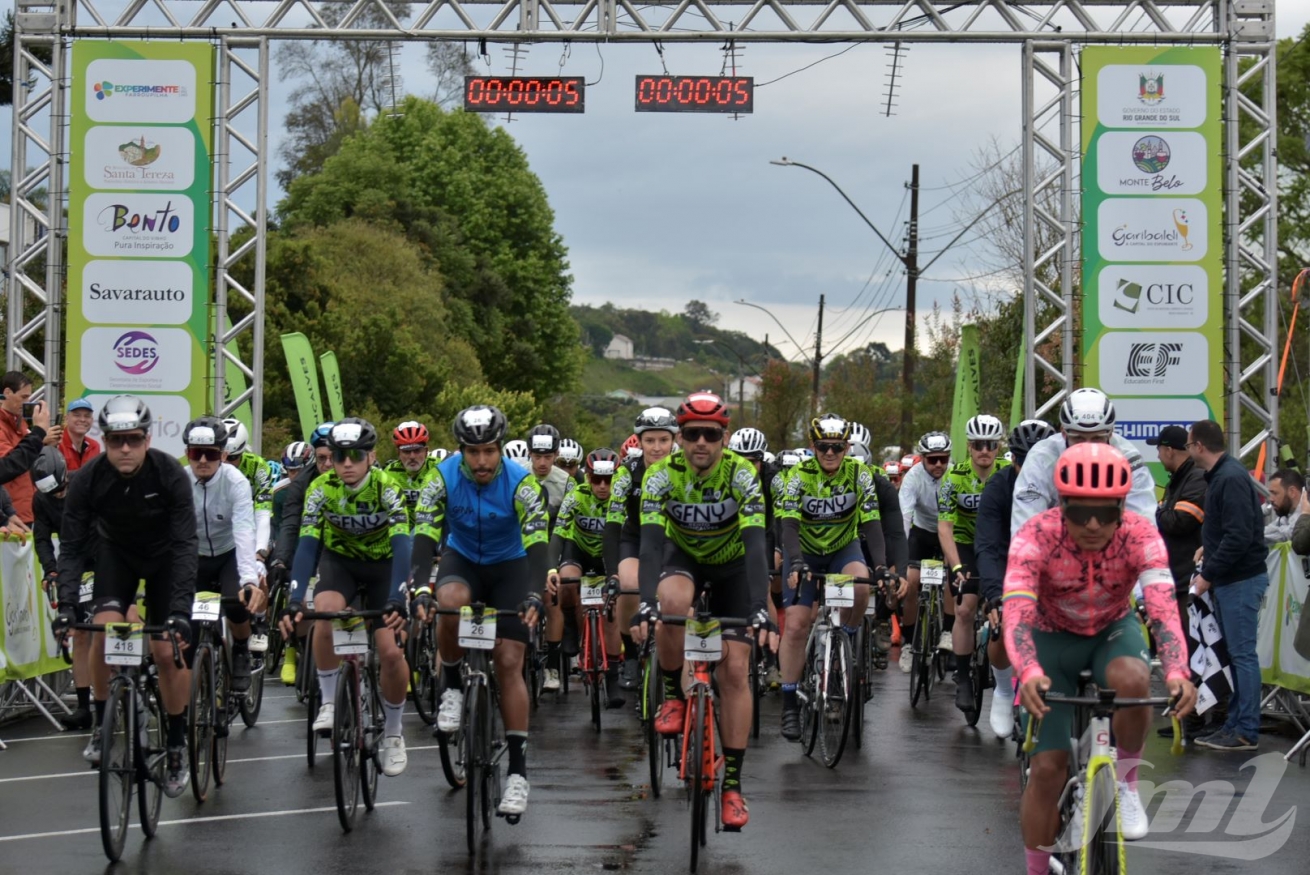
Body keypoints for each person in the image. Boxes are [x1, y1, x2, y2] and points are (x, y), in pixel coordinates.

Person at [1005, 443, 1196, 872]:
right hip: (1049, 637)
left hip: (1112, 629)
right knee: (1048, 769)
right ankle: (1036, 869)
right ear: (1062, 505)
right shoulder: (1036, 533)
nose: (1092, 524)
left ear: (1123, 507)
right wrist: (1030, 669)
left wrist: (1178, 672)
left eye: (1106, 513)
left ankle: (1126, 785)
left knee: (1132, 678)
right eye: (1079, 513)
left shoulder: (1141, 534)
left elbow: (1163, 608)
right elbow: (1016, 609)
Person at [630, 391, 774, 831]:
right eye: (691, 434)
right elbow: (651, 545)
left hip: (733, 565)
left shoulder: (743, 476)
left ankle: (732, 785)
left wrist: (758, 608)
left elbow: (755, 547)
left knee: (734, 672)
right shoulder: (659, 476)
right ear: (680, 436)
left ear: (723, 437)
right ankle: (673, 694)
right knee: (671, 604)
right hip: (683, 556)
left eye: (710, 435)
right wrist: (645, 603)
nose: (700, 443)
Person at [52, 395, 197, 797]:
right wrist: (66, 605)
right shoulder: (88, 479)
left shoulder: (170, 475)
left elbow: (186, 544)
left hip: (166, 557)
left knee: (167, 650)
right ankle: (102, 725)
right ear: (106, 440)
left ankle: (175, 744)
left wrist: (181, 612)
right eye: (117, 441)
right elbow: (72, 547)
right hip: (116, 555)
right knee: (102, 633)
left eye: (133, 439)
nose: (125, 448)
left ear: (147, 439)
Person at [408, 405, 549, 817]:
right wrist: (419, 586)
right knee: (448, 603)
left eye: (489, 451)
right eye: (473, 452)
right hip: (463, 559)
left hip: (511, 566)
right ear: (461, 451)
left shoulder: (521, 481)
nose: (482, 461)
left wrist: (535, 593)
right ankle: (451, 685)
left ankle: (518, 774)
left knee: (508, 661)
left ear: (500, 448)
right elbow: (425, 532)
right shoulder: (443, 477)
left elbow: (539, 541)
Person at [280, 418, 412, 777]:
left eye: (356, 455)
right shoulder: (321, 489)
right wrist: (294, 598)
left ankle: (395, 733)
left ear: (371, 457)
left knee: (388, 650)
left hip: (385, 566)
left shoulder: (388, 488)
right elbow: (307, 545)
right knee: (324, 613)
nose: (347, 464)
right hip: (342, 565)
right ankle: (328, 702)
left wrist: (399, 595)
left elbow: (403, 545)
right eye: (339, 456)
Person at [775, 413, 885, 741]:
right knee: (795, 625)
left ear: (847, 447)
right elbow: (789, 525)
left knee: (861, 583)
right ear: (813, 446)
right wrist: (795, 562)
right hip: (804, 553)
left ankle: (846, 639)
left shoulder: (859, 473)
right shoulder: (797, 476)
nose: (830, 453)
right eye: (823, 447)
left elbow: (871, 523)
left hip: (841, 549)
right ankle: (790, 703)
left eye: (837, 447)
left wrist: (880, 567)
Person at [1187, 419, 1269, 752]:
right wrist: (1211, 545)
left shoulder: (1230, 478)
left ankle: (1246, 730)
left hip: (1240, 580)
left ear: (1199, 447)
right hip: (1233, 578)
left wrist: (1208, 574)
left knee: (1242, 656)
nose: (1188, 449)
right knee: (1236, 656)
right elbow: (1236, 529)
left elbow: (1240, 535)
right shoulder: (1225, 475)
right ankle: (1234, 723)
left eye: (1189, 444)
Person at [974, 418, 1056, 738]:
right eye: (1023, 460)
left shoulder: (1062, 482)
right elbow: (987, 545)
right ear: (1013, 459)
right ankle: (1004, 687)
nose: (1030, 467)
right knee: (1005, 624)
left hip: (1053, 564)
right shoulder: (997, 486)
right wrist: (994, 594)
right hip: (1009, 561)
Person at [183, 417, 264, 694]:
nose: (203, 460)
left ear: (224, 455)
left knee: (237, 602)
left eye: (212, 454)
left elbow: (244, 530)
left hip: (229, 554)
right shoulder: (180, 481)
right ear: (187, 454)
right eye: (196, 453)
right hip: (196, 555)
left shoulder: (236, 482)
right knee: (188, 630)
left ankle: (241, 649)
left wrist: (249, 581)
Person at [1010, 388, 1157, 537]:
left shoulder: (1128, 458)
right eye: (1078, 438)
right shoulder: (1041, 458)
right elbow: (1025, 527)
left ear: (1110, 433)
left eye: (1097, 438)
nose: (1088, 447)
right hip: (1056, 548)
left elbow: (1145, 529)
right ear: (1063, 432)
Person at [605, 407, 682, 690]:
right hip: (635, 540)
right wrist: (612, 572)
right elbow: (613, 524)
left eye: (664, 440)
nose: (657, 447)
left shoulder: (684, 467)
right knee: (628, 585)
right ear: (639, 442)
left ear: (673, 440)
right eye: (650, 441)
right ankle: (631, 654)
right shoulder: (627, 471)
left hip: (675, 540)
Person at [938, 413, 1009, 713]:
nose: (985, 450)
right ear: (969, 446)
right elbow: (945, 529)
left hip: (999, 547)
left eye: (991, 444)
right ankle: (964, 676)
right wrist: (955, 568)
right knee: (965, 607)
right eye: (979, 444)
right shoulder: (953, 479)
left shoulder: (1008, 473)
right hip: (965, 546)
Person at [549, 447, 626, 708]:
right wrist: (551, 568)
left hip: (608, 554)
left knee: (612, 615)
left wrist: (616, 572)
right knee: (567, 582)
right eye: (596, 479)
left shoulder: (620, 498)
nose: (602, 486)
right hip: (578, 550)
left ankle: (613, 677)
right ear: (588, 476)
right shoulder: (576, 495)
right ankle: (570, 625)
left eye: (608, 480)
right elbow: (558, 535)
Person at [32, 446, 94, 729]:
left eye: (60, 490)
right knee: (80, 633)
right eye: (51, 494)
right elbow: (43, 538)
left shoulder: (85, 481)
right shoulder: (41, 500)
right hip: (74, 560)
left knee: (119, 619)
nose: (58, 496)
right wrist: (51, 570)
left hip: (105, 553)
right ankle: (84, 706)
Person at [269, 422, 335, 685]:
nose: (328, 464)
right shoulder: (299, 486)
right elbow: (289, 525)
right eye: (322, 459)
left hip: (344, 548)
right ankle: (293, 650)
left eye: (334, 457)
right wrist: (281, 559)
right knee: (298, 600)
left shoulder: (356, 477)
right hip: (309, 544)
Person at [894, 431, 953, 672]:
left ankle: (948, 631)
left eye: (943, 459)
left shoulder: (955, 474)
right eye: (932, 459)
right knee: (911, 581)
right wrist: (900, 558)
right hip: (921, 532)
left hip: (949, 530)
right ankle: (908, 643)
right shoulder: (912, 478)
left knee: (953, 575)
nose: (939, 464)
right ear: (922, 458)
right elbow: (904, 519)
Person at [1149, 425, 1207, 624]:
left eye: (1158, 450)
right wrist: (1163, 509)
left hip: (1189, 580)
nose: (1158, 456)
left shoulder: (1197, 477)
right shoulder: (1178, 479)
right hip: (1178, 579)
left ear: (1169, 450)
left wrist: (1158, 509)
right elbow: (1168, 517)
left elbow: (1179, 521)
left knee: (1190, 646)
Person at [0, 370, 57, 524]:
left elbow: (27, 458)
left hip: (26, 509)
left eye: (29, 397)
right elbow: (10, 465)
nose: (27, 403)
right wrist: (38, 433)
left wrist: (42, 443)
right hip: (11, 512)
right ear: (7, 393)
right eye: (23, 397)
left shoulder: (20, 422)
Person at [383, 420, 437, 528]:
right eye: (407, 451)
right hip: (402, 529)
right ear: (398, 453)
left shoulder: (438, 468)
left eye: (417, 451)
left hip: (433, 528)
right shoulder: (389, 473)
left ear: (426, 451)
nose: (412, 456)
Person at [526, 424, 574, 527]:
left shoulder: (566, 481)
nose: (542, 463)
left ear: (556, 454)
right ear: (529, 453)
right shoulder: (518, 475)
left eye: (548, 457)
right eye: (537, 457)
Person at [58, 398, 101, 472]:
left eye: (87, 416)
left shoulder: (94, 446)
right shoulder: (57, 444)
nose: (82, 419)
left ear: (92, 420)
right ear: (66, 418)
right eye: (77, 415)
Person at [1262, 468, 1303, 545]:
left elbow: (1287, 534)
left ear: (1292, 492)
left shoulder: (1305, 515)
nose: (1271, 499)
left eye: (1275, 493)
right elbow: (1271, 529)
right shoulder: (1287, 513)